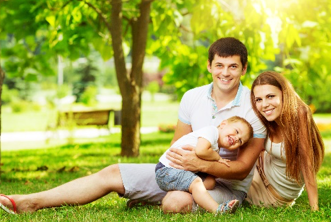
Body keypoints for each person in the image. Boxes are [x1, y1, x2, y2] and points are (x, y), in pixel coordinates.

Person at [0, 37, 266, 215]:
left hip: (224, 186)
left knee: (174, 202)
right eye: (219, 65)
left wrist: (201, 165)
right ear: (209, 65)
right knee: (113, 172)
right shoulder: (192, 97)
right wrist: (180, 169)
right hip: (184, 173)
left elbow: (242, 170)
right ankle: (30, 202)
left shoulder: (254, 106)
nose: (225, 72)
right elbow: (176, 147)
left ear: (243, 69)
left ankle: (150, 195)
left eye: (233, 66)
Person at [246, 71, 324, 211]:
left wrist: (315, 208)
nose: (264, 105)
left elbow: (307, 163)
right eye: (259, 99)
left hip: (270, 194)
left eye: (270, 96)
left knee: (223, 183)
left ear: (284, 94)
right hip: (258, 171)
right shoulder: (267, 119)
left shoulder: (300, 113)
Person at [155, 116, 253, 214]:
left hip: (178, 171)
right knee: (196, 183)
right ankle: (217, 210)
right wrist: (218, 158)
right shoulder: (211, 132)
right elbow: (201, 151)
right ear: (223, 124)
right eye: (236, 131)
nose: (236, 138)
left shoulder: (215, 146)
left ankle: (191, 192)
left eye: (240, 141)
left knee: (210, 182)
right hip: (166, 170)